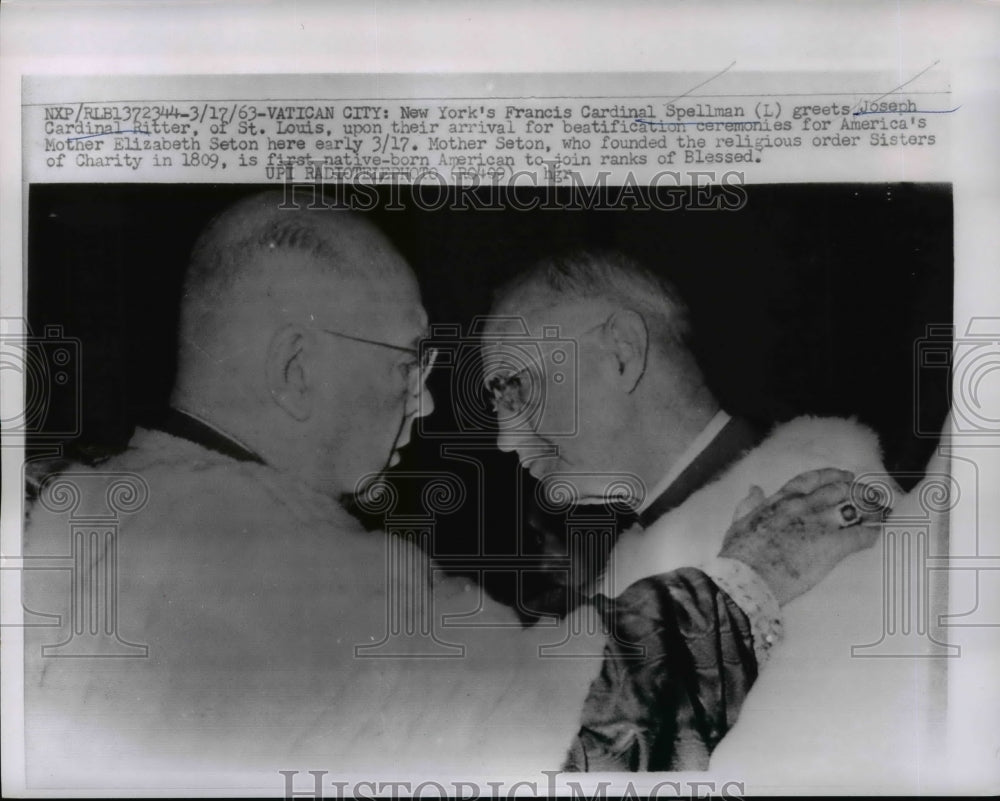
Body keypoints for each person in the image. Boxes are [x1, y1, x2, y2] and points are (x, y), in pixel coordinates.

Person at [22, 195, 883, 789]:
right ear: (297, 369)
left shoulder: (94, 506)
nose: (431, 400)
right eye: (411, 361)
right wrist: (751, 575)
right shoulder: (278, 564)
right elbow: (576, 733)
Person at [484, 249, 945, 782]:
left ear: (621, 353)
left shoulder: (829, 507)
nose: (505, 440)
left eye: (513, 386)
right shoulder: (630, 573)